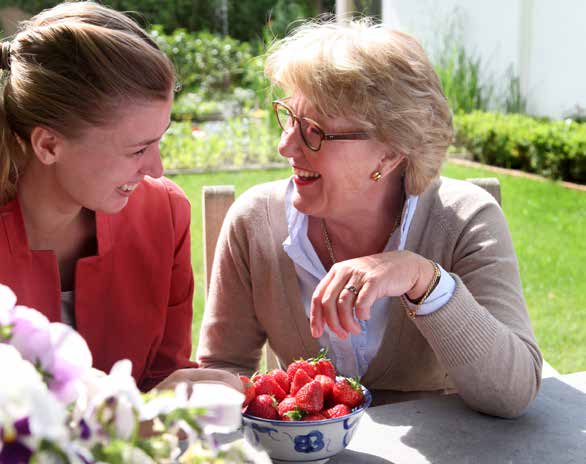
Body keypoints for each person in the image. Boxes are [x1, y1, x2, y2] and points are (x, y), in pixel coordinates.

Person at [197, 19, 543, 417]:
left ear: (391, 152)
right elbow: (223, 369)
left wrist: (423, 280)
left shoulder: (464, 219)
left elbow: (514, 391)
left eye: (313, 130)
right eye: (287, 117)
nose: (285, 145)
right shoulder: (255, 222)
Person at [0, 1, 239, 393]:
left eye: (160, 140)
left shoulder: (164, 215)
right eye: (137, 149)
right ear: (48, 145)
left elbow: (165, 380)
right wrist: (134, 410)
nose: (156, 169)